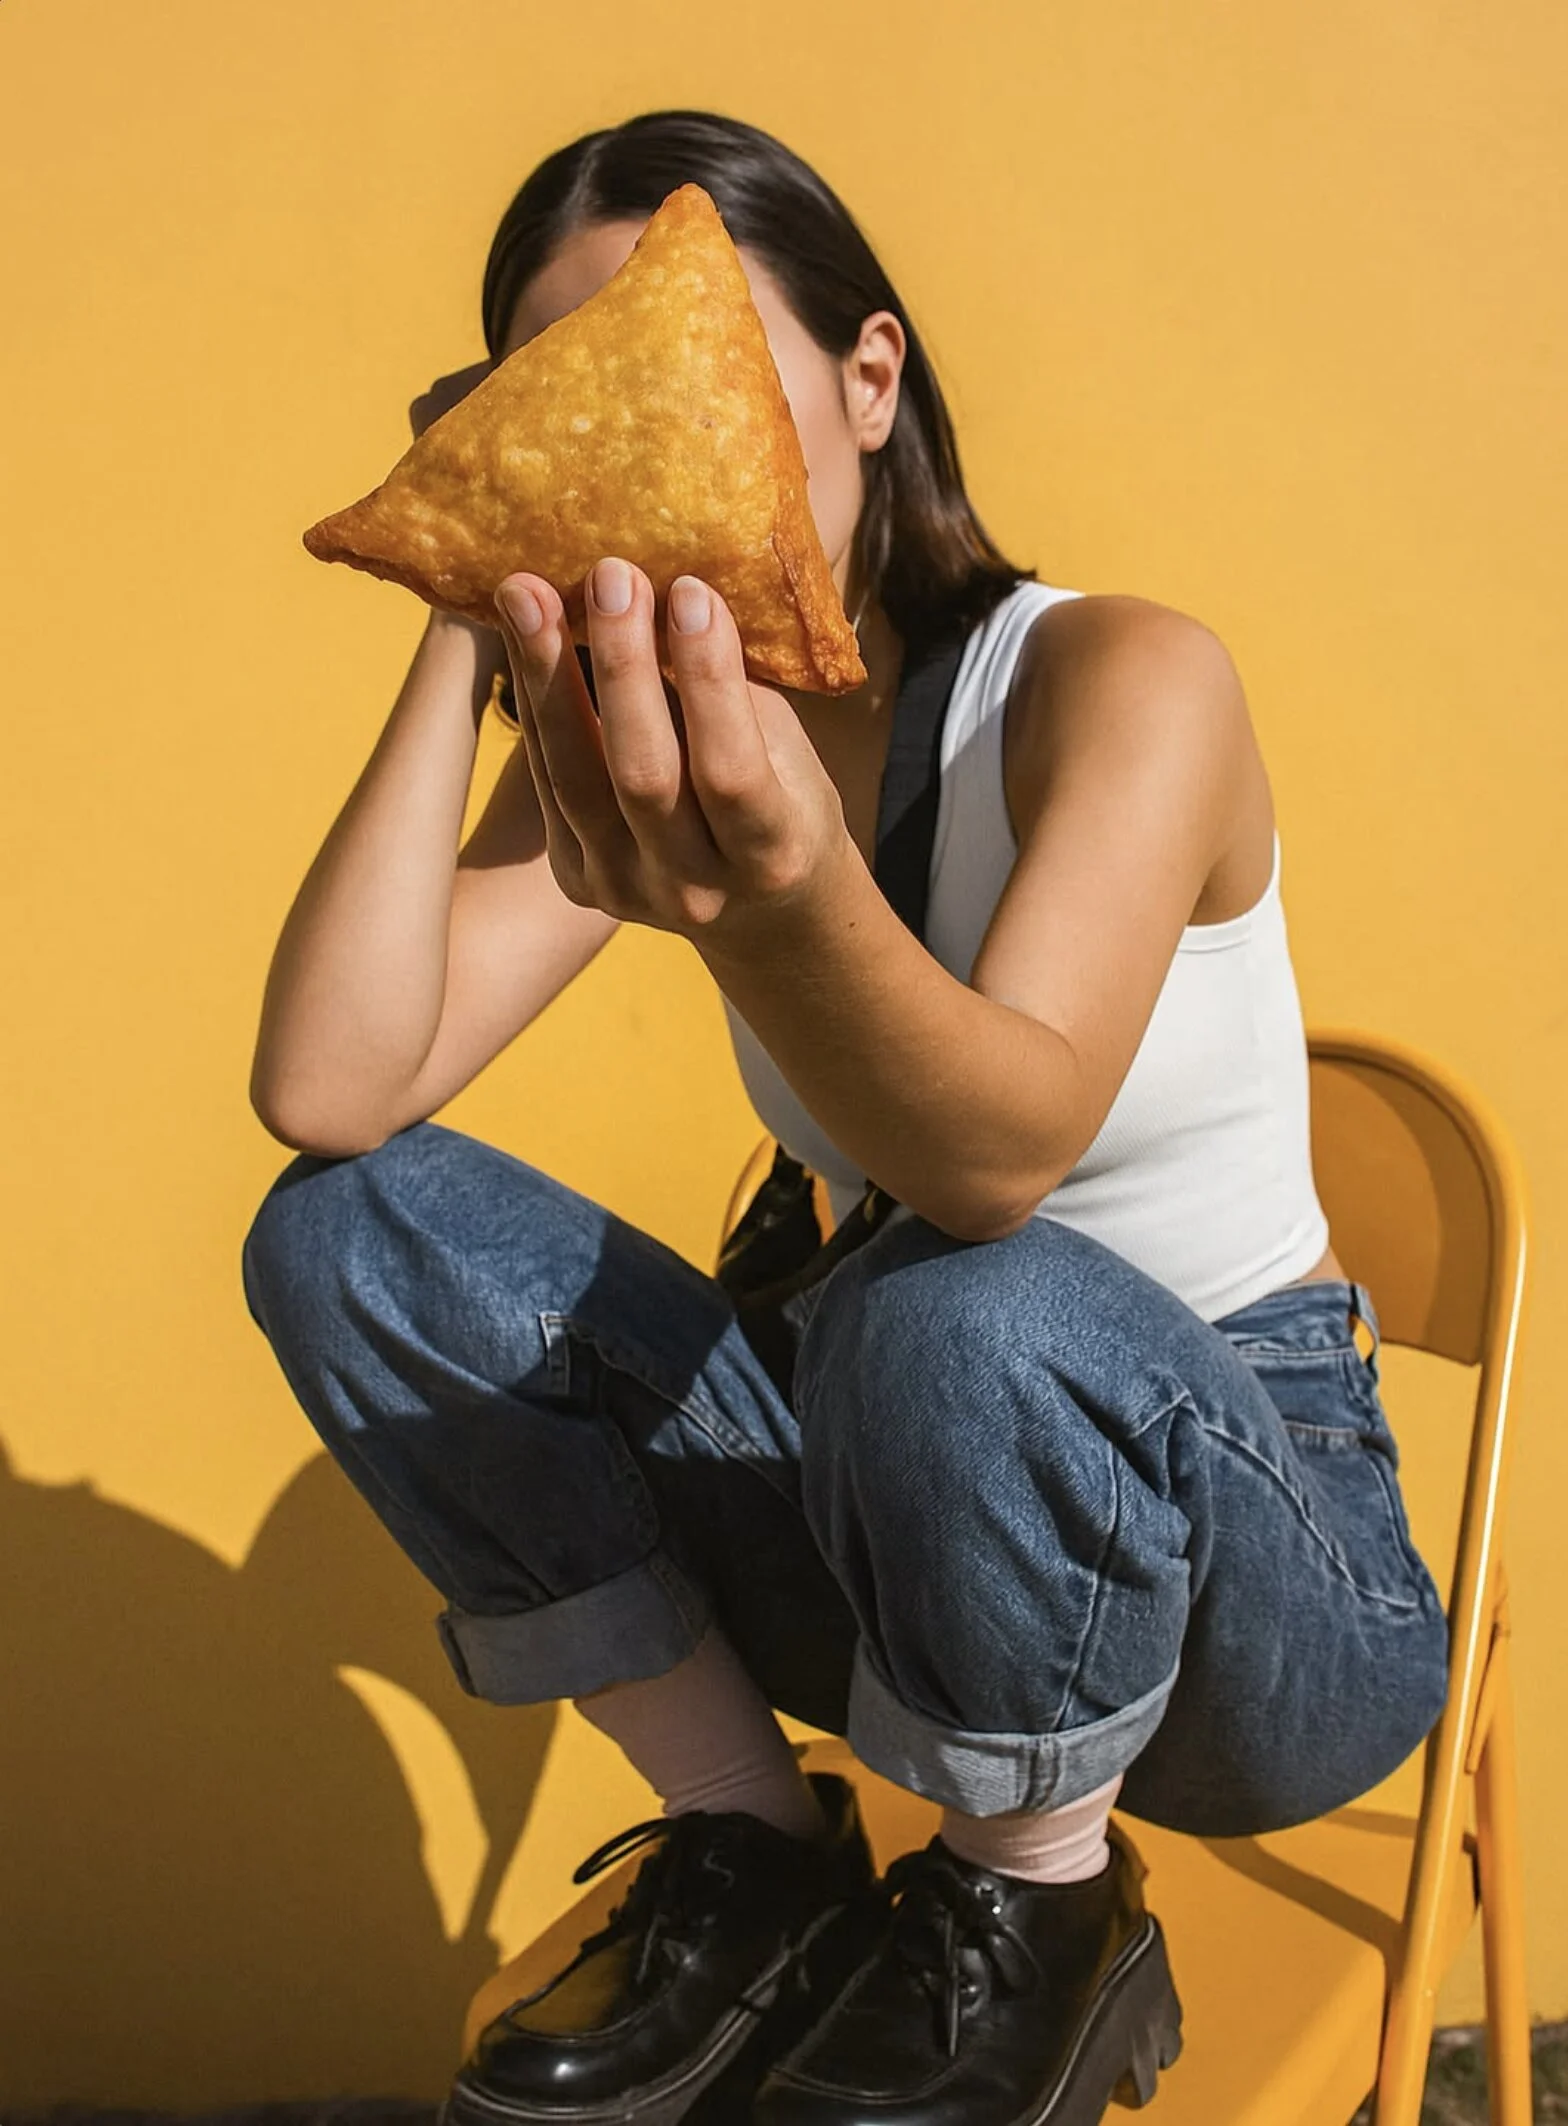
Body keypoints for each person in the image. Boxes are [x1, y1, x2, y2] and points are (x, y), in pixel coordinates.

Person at [241, 107, 1449, 2126]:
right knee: (344, 1231)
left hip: (1268, 1583)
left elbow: (992, 1158)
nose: (626, 430)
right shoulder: (665, 748)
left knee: (949, 1290)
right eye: (563, 396)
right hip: (908, 1528)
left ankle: (1039, 1912)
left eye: (673, 355)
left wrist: (791, 906)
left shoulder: (1117, 682)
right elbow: (330, 1084)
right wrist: (474, 591)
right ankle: (756, 1846)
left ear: (867, 379)